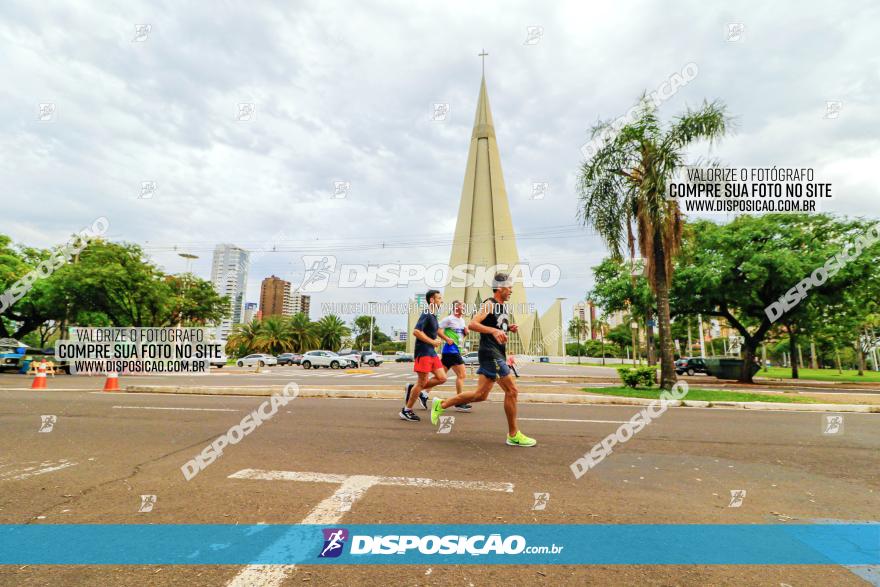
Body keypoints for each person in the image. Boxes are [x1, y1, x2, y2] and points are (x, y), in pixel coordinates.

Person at [430, 273, 536, 446]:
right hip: (490, 353)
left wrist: (508, 328)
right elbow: (472, 324)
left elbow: (496, 327)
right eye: (509, 287)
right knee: (512, 391)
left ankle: (441, 404)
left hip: (497, 353)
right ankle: (513, 434)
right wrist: (494, 331)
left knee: (480, 395)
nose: (511, 291)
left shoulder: (502, 307)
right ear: (500, 288)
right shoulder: (489, 304)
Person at [400, 289, 447, 422]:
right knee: (422, 382)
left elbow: (436, 330)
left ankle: (413, 388)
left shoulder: (433, 315)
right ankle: (406, 410)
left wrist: (447, 339)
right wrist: (432, 341)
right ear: (432, 300)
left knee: (442, 377)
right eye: (439, 298)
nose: (441, 301)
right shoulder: (426, 313)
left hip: (431, 352)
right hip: (423, 352)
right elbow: (416, 331)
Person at [434, 300, 472, 412]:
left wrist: (466, 333)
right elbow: (437, 330)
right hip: (451, 350)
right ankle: (459, 402)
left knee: (440, 377)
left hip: (454, 351)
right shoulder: (449, 319)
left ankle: (422, 392)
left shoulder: (461, 320)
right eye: (462, 305)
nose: (464, 307)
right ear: (456, 307)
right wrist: (446, 339)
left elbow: (461, 337)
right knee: (462, 375)